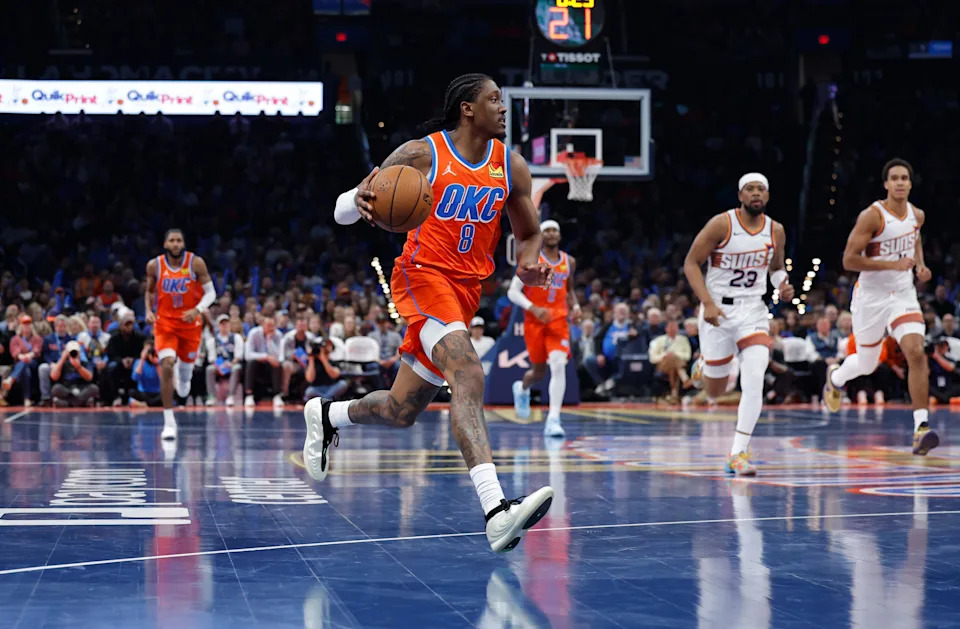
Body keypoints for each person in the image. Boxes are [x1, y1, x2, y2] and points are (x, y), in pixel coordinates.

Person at [305, 73, 555, 553]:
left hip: (465, 290)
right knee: (466, 371)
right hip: (421, 277)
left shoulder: (512, 166)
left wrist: (526, 266)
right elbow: (342, 210)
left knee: (402, 410)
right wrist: (356, 202)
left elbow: (526, 234)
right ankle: (497, 511)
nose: (503, 109)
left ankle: (329, 415)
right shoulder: (423, 154)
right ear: (467, 108)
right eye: (494, 100)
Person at [822, 159, 939, 455]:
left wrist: (920, 266)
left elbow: (914, 240)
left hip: (902, 294)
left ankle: (920, 427)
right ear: (886, 184)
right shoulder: (872, 217)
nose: (900, 183)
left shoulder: (918, 215)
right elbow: (849, 260)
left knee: (915, 351)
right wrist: (892, 263)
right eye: (894, 178)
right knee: (867, 363)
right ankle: (835, 378)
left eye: (904, 178)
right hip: (870, 298)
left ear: (910, 184)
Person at [683, 173, 794, 476]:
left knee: (755, 374)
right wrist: (706, 302)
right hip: (719, 310)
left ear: (768, 196)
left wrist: (782, 283)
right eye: (750, 189)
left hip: (753, 311)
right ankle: (703, 367)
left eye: (761, 189)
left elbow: (776, 267)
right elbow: (691, 263)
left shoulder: (776, 230)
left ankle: (738, 452)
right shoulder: (722, 224)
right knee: (715, 391)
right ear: (740, 196)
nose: (756, 193)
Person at [508, 220, 581, 437]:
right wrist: (533, 308)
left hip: (558, 320)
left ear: (559, 235)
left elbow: (570, 289)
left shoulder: (570, 261)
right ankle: (521, 389)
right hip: (535, 321)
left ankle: (554, 419)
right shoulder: (531, 260)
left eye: (555, 230)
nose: (551, 233)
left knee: (558, 365)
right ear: (541, 234)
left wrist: (576, 306)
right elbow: (512, 292)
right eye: (547, 230)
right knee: (538, 372)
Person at [144, 228, 217, 441]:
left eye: (179, 240)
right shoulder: (154, 265)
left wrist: (197, 309)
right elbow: (149, 291)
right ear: (166, 244)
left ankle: (184, 378)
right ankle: (169, 423)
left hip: (190, 324)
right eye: (172, 241)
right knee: (166, 364)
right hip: (165, 324)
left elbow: (211, 293)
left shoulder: (196, 263)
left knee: (185, 378)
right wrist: (148, 311)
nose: (176, 244)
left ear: (183, 244)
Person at [205, 314, 244, 405]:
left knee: (237, 368)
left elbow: (238, 355)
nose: (224, 326)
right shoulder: (213, 340)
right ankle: (211, 397)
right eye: (222, 324)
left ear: (230, 325)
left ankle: (231, 396)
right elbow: (212, 358)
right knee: (209, 369)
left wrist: (230, 364)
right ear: (218, 326)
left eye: (226, 323)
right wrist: (220, 365)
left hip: (232, 364)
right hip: (218, 365)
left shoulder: (236, 337)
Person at [304, 337, 349, 402]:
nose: (327, 348)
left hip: (332, 387)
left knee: (343, 384)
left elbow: (334, 375)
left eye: (329, 345)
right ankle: (328, 400)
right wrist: (311, 359)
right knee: (309, 391)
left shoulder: (334, 362)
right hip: (317, 388)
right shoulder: (313, 362)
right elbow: (310, 379)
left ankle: (324, 399)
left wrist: (323, 358)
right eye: (325, 345)